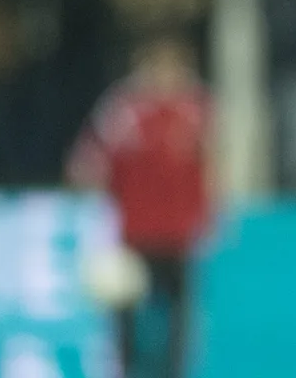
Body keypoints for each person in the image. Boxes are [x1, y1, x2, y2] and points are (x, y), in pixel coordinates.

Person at [65, 32, 211, 378]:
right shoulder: (122, 110)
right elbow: (87, 163)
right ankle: (127, 369)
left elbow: (216, 162)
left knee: (178, 318)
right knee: (126, 314)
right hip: (135, 232)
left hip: (179, 234)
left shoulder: (196, 109)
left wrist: (208, 214)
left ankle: (174, 371)